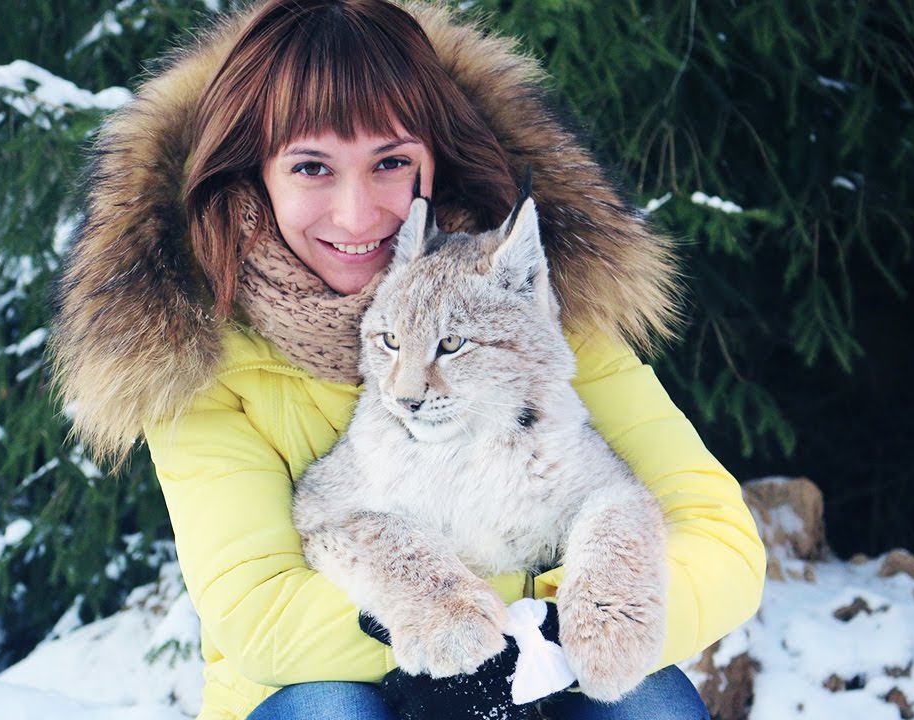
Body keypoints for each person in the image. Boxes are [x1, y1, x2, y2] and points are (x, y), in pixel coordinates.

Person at [46, 1, 766, 719]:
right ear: (253, 173)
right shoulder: (191, 353)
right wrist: (448, 616)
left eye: (389, 162)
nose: (357, 215)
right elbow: (261, 615)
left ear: (435, 157)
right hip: (322, 685)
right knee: (330, 708)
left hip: (546, 683)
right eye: (311, 167)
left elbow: (718, 538)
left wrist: (550, 633)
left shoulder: (533, 299)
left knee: (650, 700)